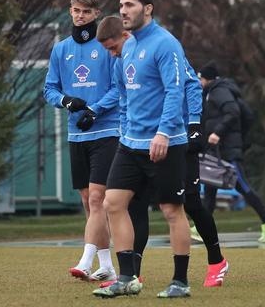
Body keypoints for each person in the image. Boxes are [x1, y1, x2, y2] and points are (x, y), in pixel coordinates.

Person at [94, 14, 230, 288]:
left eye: (112, 47)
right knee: (134, 204)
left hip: (178, 137)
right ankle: (132, 273)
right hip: (142, 142)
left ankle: (216, 260)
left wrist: (193, 124)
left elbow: (189, 85)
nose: (111, 54)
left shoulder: (165, 49)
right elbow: (124, 98)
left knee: (188, 203)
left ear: (126, 35)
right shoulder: (123, 58)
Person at [92, 0, 191, 299]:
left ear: (147, 8)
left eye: (130, 5)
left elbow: (176, 91)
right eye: (121, 5)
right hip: (130, 144)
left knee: (172, 210)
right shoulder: (128, 45)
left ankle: (180, 281)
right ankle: (127, 278)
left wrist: (163, 132)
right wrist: (124, 128)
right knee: (112, 203)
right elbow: (124, 94)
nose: (123, 10)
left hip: (165, 143)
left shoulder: (166, 44)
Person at [43, 0, 120, 283]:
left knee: (99, 198)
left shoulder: (107, 47)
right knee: (89, 202)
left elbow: (118, 88)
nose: (80, 16)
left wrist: (95, 110)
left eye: (86, 12)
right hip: (77, 135)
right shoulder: (61, 49)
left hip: (106, 130)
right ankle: (107, 265)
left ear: (96, 14)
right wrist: (67, 102)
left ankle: (85, 262)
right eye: (76, 10)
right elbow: (49, 88)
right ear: (70, 12)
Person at [198, 63, 265, 242]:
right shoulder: (214, 91)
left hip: (227, 148)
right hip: (219, 149)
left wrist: (217, 133)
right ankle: (202, 227)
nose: (199, 82)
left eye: (200, 78)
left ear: (207, 78)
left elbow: (233, 112)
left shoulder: (219, 91)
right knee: (210, 187)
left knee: (241, 185)